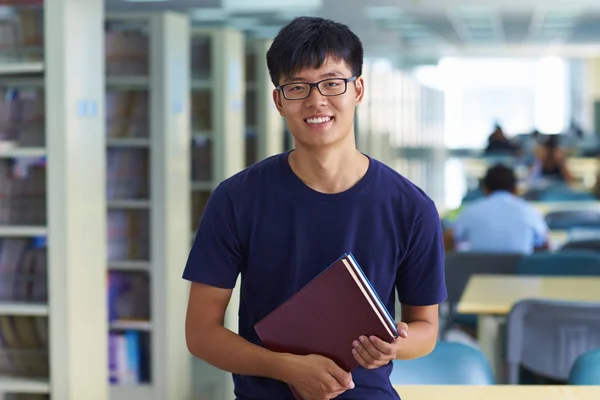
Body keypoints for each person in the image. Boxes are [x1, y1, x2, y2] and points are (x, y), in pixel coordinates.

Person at [183, 16, 446, 400]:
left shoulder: (411, 207)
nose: (316, 100)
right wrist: (286, 367)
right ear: (278, 100)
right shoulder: (237, 199)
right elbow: (201, 333)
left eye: (331, 83)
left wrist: (396, 346)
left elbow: (425, 327)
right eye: (297, 87)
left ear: (357, 89)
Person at [444, 164, 549, 254]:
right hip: (519, 275)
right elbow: (544, 245)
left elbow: (447, 240)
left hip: (477, 274)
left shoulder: (471, 211)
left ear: (485, 189)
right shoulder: (529, 211)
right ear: (516, 189)